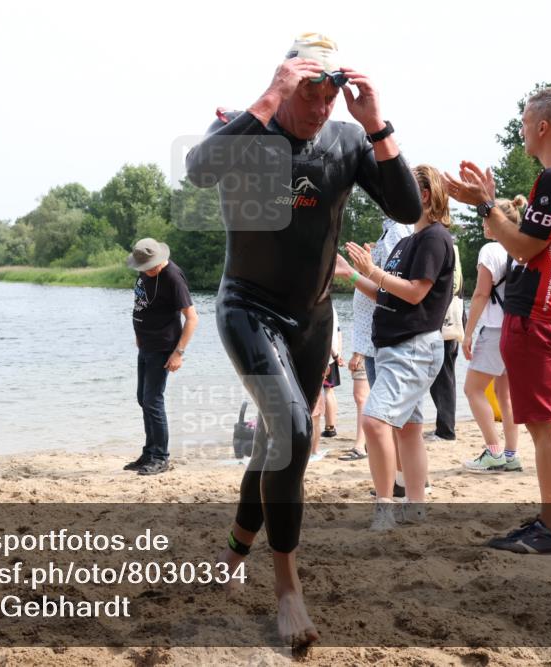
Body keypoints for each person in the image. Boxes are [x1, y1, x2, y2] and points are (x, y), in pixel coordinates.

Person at [185, 33, 422, 648]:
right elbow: (198, 171)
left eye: (330, 96)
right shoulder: (244, 130)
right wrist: (269, 97)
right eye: (309, 94)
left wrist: (375, 124)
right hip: (247, 308)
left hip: (312, 318)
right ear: (286, 83)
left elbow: (406, 206)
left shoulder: (346, 141)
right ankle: (288, 590)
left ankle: (234, 552)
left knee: (277, 442)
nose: (321, 108)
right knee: (293, 432)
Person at [445, 86, 551, 554]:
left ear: (543, 126)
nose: (522, 130)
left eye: (526, 122)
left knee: (544, 424)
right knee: (548, 422)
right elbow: (530, 240)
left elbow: (524, 248)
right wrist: (489, 202)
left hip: (538, 313)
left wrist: (484, 206)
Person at [336, 164, 455, 530]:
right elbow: (384, 294)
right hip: (395, 348)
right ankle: (415, 507)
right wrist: (351, 273)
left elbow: (416, 292)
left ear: (424, 195)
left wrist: (373, 270)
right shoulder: (406, 242)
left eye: (403, 189)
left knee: (374, 422)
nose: (393, 197)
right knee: (409, 429)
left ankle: (385, 506)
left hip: (413, 348)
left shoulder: (434, 238)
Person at [460, 196, 526, 473]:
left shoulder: (490, 250)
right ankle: (511, 454)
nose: (483, 224)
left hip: (495, 330)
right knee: (504, 394)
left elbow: (481, 293)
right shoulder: (521, 248)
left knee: (472, 390)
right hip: (517, 329)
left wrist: (467, 333)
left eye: (487, 218)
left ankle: (493, 451)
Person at [124, 238, 199, 476]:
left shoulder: (173, 278)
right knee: (143, 399)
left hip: (163, 346)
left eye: (148, 267)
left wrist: (178, 353)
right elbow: (142, 304)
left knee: (153, 401)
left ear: (158, 260)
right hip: (145, 344)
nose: (145, 271)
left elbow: (192, 318)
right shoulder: (145, 271)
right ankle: (149, 453)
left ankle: (160, 457)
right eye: (142, 267)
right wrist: (138, 334)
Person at [342, 218, 412, 462]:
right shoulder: (389, 229)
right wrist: (359, 270)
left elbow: (391, 289)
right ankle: (398, 476)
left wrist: (358, 271)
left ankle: (399, 475)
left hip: (380, 339)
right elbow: (382, 284)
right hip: (371, 340)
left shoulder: (397, 230)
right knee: (389, 418)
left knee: (388, 418)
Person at [427, 242, 463, 442]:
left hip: (445, 320)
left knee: (443, 376)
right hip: (452, 319)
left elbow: (452, 287)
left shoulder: (444, 248)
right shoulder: (452, 247)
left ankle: (446, 430)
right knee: (444, 375)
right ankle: (444, 425)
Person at [321, 303, 344, 438]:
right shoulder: (332, 307)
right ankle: (331, 426)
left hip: (324, 357)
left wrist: (335, 355)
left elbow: (325, 335)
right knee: (329, 390)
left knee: (325, 391)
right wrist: (338, 354)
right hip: (332, 356)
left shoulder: (321, 308)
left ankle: (329, 428)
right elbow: (339, 332)